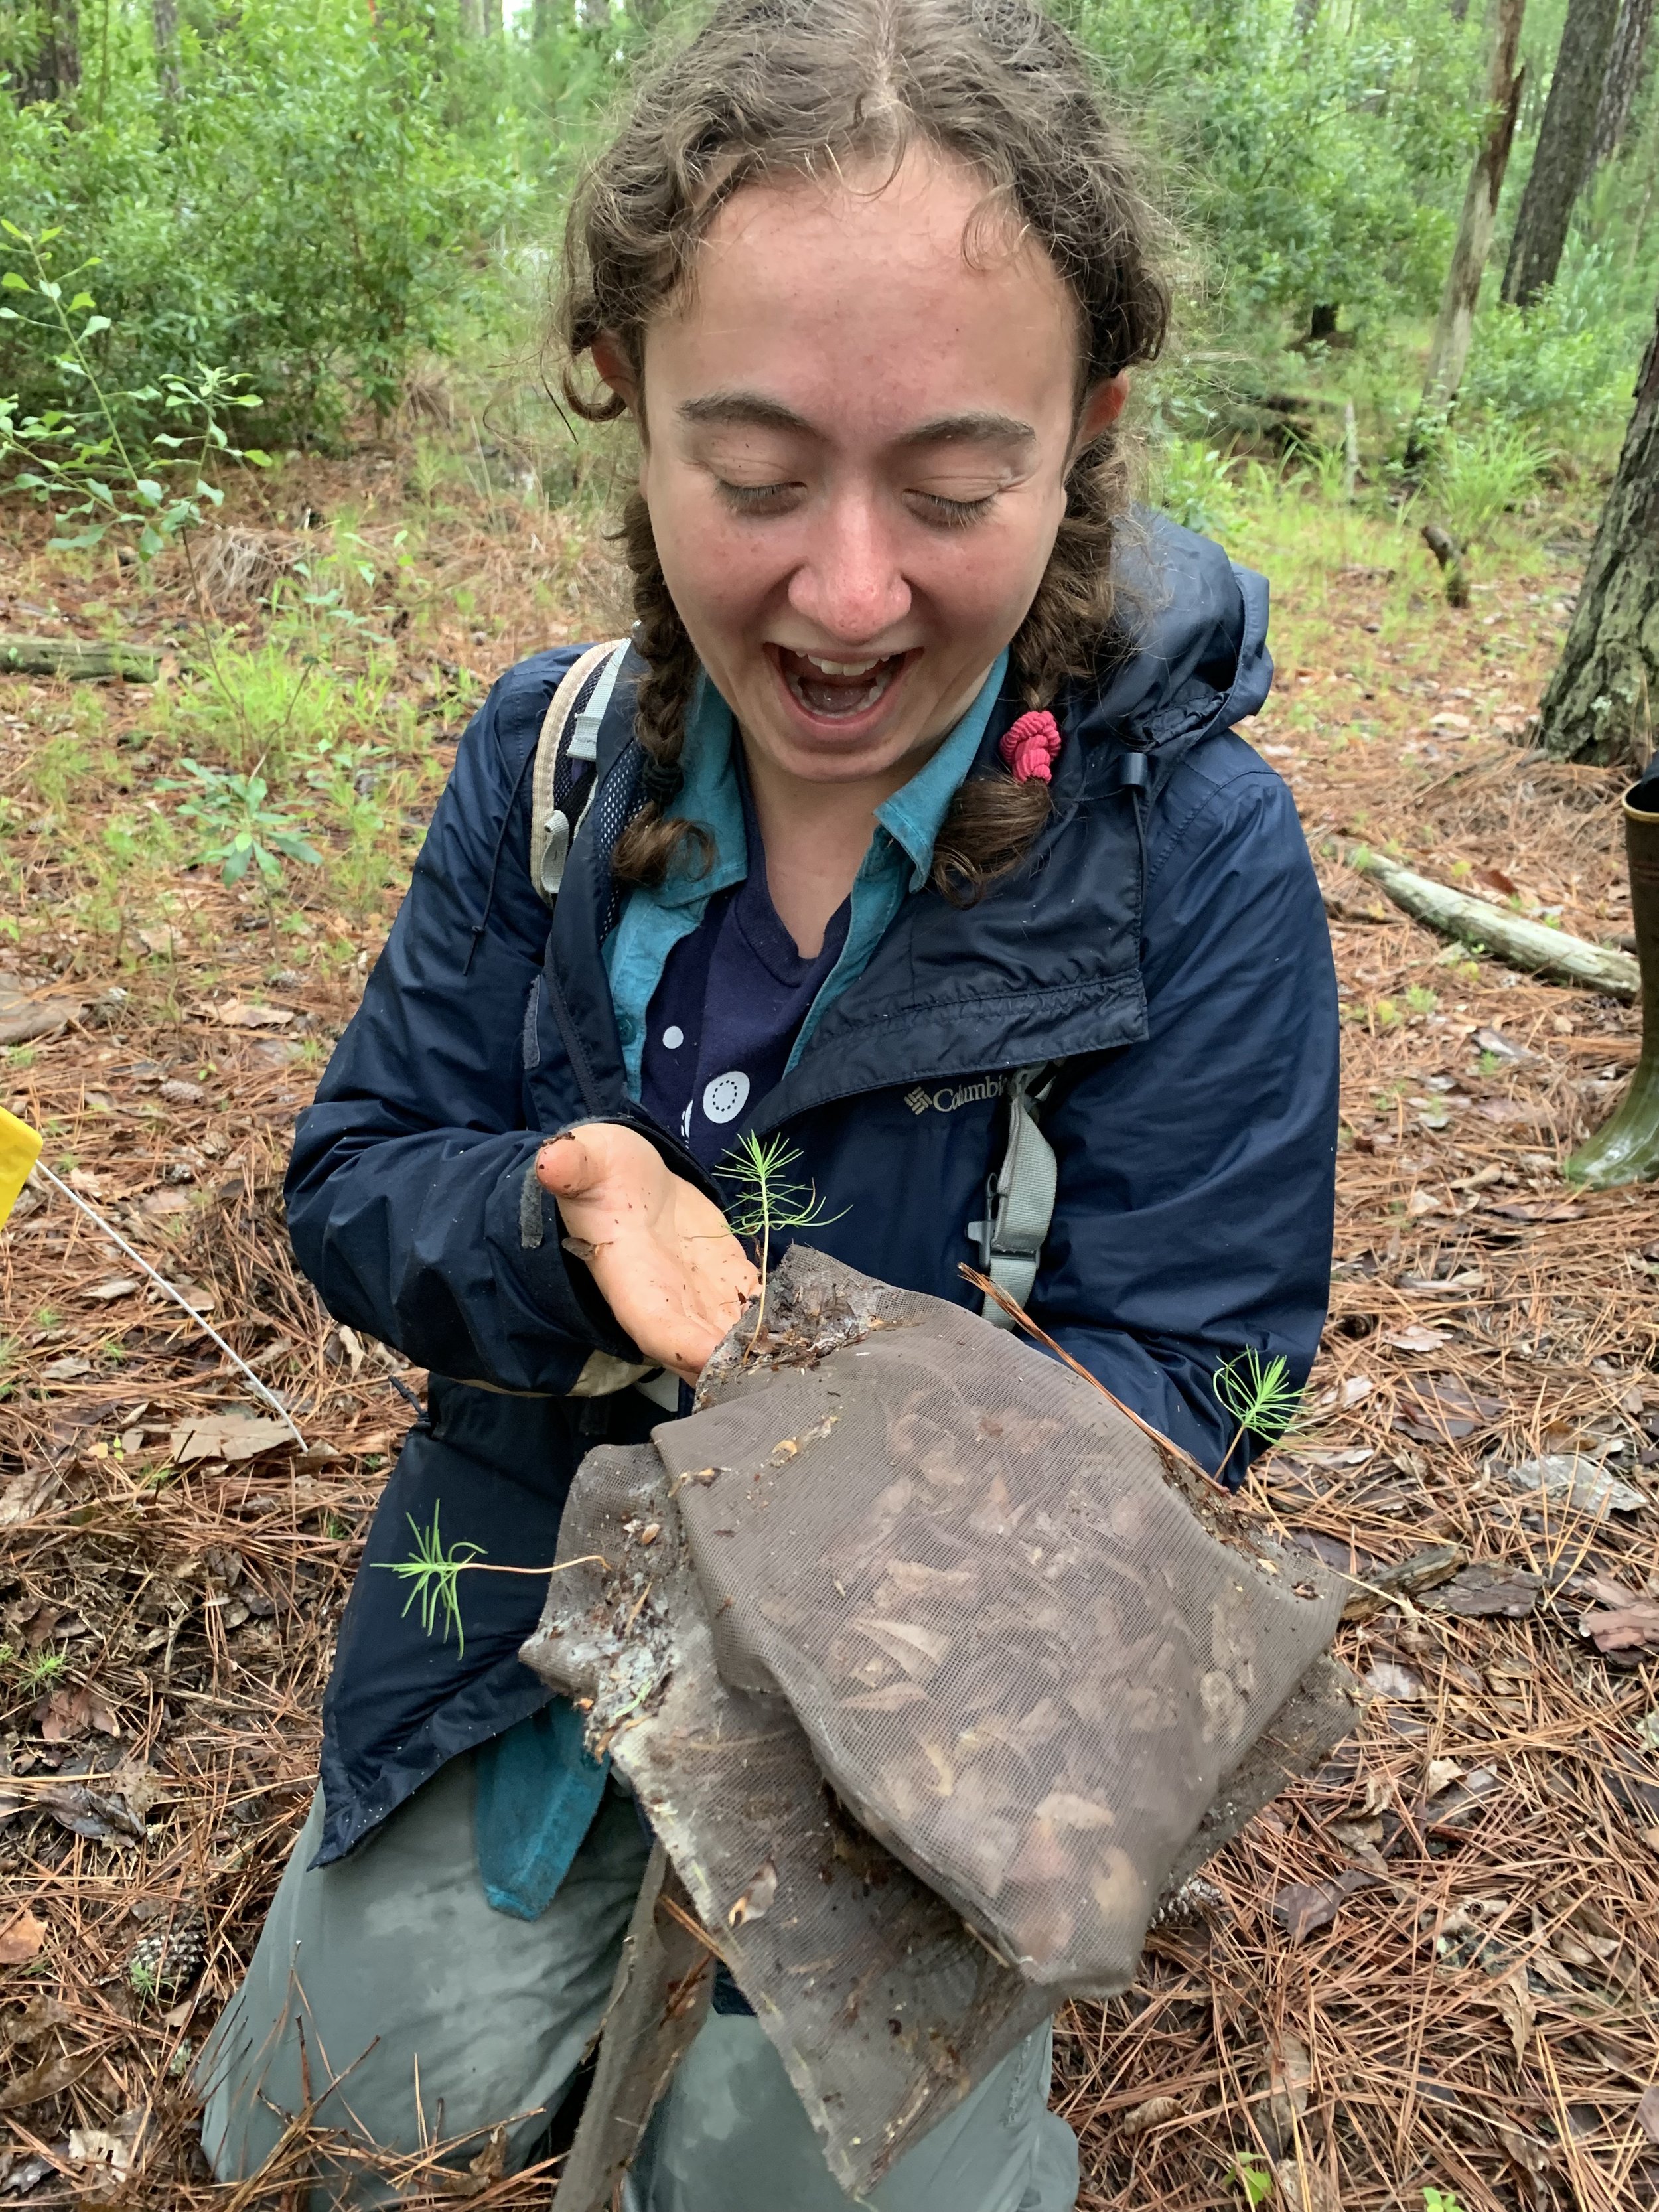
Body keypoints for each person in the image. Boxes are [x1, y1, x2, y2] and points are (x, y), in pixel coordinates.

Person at [196, 0, 1338, 2203]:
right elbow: (355, 1179)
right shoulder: (546, 772)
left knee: (783, 2173)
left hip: (919, 1734)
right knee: (327, 2146)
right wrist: (557, 1229)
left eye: (949, 487)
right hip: (516, 1631)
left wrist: (801, 1380)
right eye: (751, 476)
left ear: (1085, 430)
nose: (843, 591)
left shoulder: (1191, 866)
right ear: (621, 402)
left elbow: (1203, 1375)